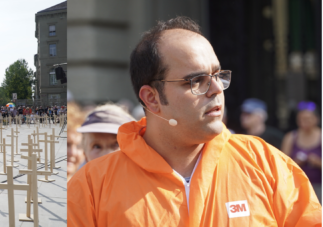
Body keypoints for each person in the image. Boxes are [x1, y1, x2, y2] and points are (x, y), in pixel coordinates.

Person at [67, 16, 321, 226]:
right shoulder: (91, 185)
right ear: (152, 98)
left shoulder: (266, 163)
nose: (216, 88)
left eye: (218, 75)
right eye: (196, 81)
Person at [281, 101, 322, 203]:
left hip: (319, 186)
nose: (304, 122)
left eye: (308, 119)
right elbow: (282, 166)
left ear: (316, 119)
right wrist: (296, 163)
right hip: (297, 187)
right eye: (301, 119)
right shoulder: (291, 137)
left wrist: (317, 162)